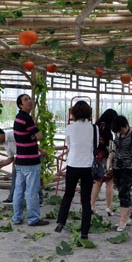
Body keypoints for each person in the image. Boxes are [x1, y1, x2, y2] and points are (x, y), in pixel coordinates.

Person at [55, 101, 96, 239]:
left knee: (68, 194)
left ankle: (61, 222)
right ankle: (84, 232)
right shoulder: (94, 128)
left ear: (73, 113)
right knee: (86, 200)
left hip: (73, 164)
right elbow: (94, 146)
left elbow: (69, 145)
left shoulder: (70, 128)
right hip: (88, 165)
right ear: (89, 113)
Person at [12, 93, 49, 226]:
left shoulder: (18, 118)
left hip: (20, 160)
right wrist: (34, 134)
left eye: (30, 99)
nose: (29, 101)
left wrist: (32, 136)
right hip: (31, 161)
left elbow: (26, 138)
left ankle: (17, 218)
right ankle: (33, 219)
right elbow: (39, 136)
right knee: (32, 191)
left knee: (18, 191)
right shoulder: (27, 119)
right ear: (20, 105)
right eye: (25, 100)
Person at [109, 115, 132, 231]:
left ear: (126, 125)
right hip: (117, 167)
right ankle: (127, 217)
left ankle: (122, 220)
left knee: (123, 192)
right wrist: (110, 161)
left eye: (121, 130)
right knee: (123, 191)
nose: (120, 133)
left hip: (130, 168)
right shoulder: (117, 134)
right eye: (118, 131)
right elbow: (114, 149)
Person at [90, 108, 118, 215]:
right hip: (106, 158)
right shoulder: (107, 130)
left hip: (96, 157)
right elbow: (109, 146)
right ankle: (109, 207)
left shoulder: (95, 126)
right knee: (109, 183)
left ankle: (92, 205)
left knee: (97, 182)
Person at [0, 128, 16, 204]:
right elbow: (11, 158)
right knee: (15, 177)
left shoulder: (12, 134)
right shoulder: (4, 143)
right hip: (21, 158)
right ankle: (11, 198)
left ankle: (39, 199)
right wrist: (1, 164)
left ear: (0, 134)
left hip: (33, 155)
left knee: (32, 179)